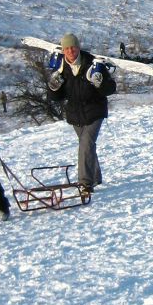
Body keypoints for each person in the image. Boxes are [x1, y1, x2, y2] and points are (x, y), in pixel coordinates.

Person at [45, 33, 116, 192]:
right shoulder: (60, 67)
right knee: (87, 146)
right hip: (75, 113)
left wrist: (100, 83)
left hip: (95, 111)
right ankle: (95, 177)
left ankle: (85, 184)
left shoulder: (93, 63)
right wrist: (53, 87)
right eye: (67, 48)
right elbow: (56, 97)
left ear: (78, 47)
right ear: (63, 50)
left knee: (85, 145)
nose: (70, 51)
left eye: (73, 47)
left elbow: (110, 88)